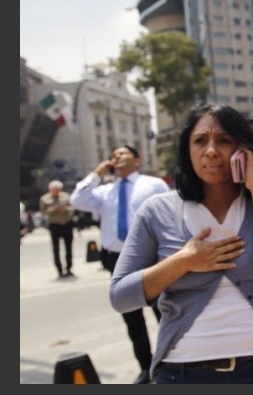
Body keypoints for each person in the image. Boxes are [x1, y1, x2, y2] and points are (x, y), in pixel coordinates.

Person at [108, 102, 253, 384]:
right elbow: (120, 295)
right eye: (200, 140)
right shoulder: (156, 211)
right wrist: (185, 261)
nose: (211, 150)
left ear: (244, 149)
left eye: (224, 140)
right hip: (182, 371)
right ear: (187, 150)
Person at [70, 145, 170, 383]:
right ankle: (146, 367)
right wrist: (97, 174)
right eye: (114, 155)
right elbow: (77, 200)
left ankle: (170, 360)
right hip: (118, 258)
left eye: (123, 154)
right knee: (131, 316)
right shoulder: (105, 191)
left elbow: (170, 215)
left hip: (151, 256)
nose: (117, 157)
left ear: (137, 160)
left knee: (164, 311)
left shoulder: (153, 184)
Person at [40, 180, 75, 278]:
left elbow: (72, 208)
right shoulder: (44, 199)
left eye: (58, 190)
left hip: (67, 224)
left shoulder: (66, 196)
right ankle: (59, 270)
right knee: (56, 249)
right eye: (54, 190)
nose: (56, 192)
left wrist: (66, 209)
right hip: (55, 225)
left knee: (69, 247)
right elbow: (43, 212)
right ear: (50, 190)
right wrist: (54, 209)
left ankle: (69, 268)